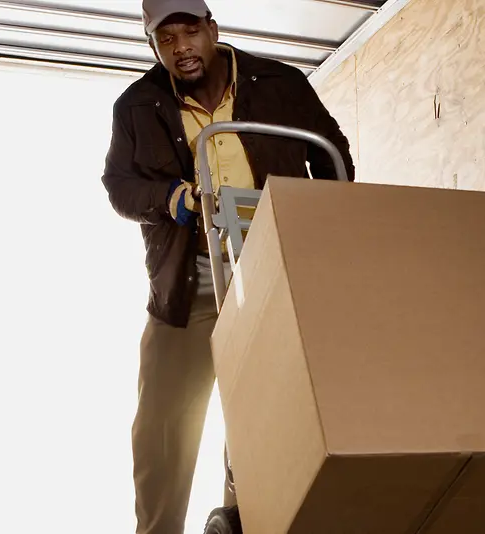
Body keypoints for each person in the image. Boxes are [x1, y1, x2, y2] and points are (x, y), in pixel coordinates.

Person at [100, 0, 355, 532]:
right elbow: (118, 187)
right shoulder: (137, 106)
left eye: (189, 33)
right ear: (152, 46)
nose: (180, 49)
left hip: (270, 275)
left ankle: (241, 524)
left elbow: (333, 152)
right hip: (188, 282)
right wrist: (171, 198)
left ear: (212, 30)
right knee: (161, 428)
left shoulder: (277, 82)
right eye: (165, 40)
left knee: (258, 417)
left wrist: (324, 229)